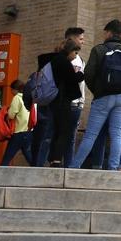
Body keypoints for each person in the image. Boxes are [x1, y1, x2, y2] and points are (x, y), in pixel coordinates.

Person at [70, 19, 121, 170]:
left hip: (103, 97)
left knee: (91, 135)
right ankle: (113, 169)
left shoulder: (99, 50)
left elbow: (88, 74)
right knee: (116, 134)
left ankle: (74, 166)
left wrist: (98, 90)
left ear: (108, 32)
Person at [36, 39, 85, 167]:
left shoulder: (53, 60)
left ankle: (52, 158)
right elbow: (72, 80)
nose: (75, 56)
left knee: (56, 130)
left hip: (53, 100)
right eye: (75, 52)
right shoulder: (63, 62)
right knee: (64, 131)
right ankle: (57, 159)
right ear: (70, 51)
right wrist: (81, 73)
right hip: (62, 101)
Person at [64, 27, 86, 166]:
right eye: (80, 39)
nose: (83, 42)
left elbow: (81, 84)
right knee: (58, 135)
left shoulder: (80, 59)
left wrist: (82, 102)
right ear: (71, 39)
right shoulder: (64, 58)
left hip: (77, 103)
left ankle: (68, 166)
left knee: (71, 136)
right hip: (67, 103)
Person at [0, 80, 33, 166]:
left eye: (12, 89)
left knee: (6, 159)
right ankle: (40, 172)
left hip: (18, 133)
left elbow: (11, 115)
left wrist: (6, 114)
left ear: (15, 89)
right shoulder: (28, 97)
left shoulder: (17, 98)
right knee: (30, 157)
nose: (11, 92)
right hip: (28, 132)